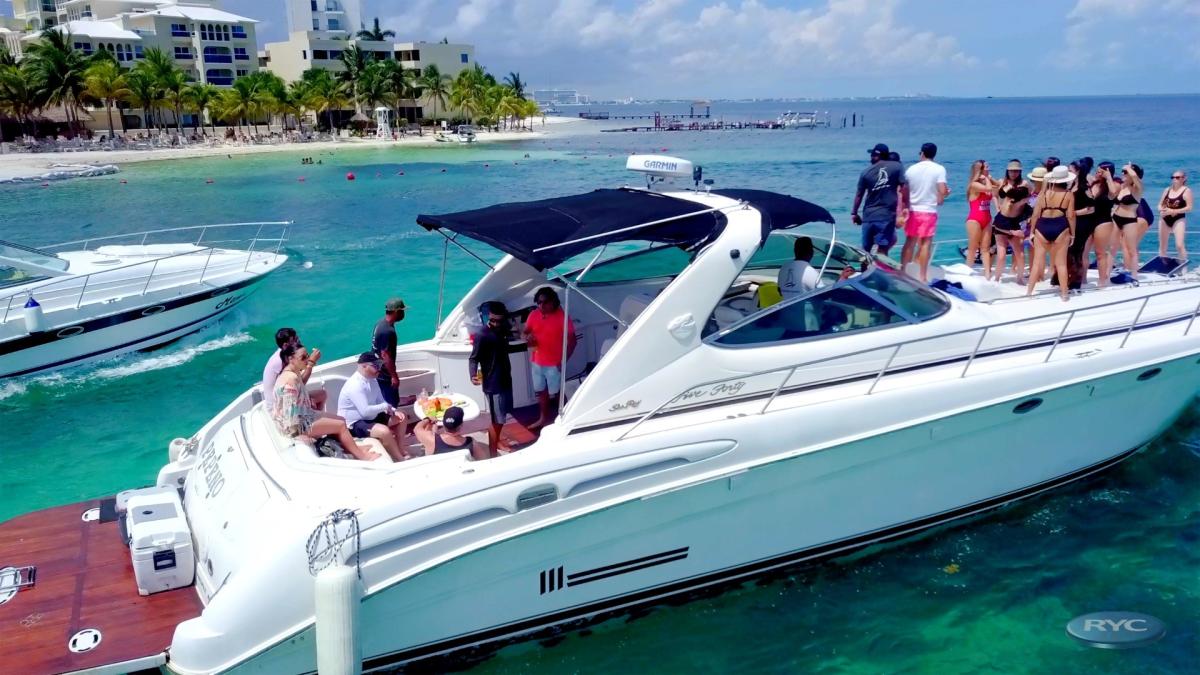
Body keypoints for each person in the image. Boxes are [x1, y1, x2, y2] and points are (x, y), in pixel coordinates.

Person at [273, 343, 379, 461]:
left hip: (304, 413)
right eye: (303, 358)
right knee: (340, 425)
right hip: (297, 425)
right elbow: (289, 414)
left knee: (341, 419)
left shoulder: (293, 371)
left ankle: (351, 448)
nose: (307, 360)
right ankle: (362, 456)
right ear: (290, 359)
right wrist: (299, 434)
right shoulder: (289, 379)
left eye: (307, 356)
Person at [470, 301, 530, 455]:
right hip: (493, 385)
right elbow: (473, 358)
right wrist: (473, 375)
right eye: (492, 320)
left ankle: (497, 443)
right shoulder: (482, 335)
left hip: (505, 380)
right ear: (488, 317)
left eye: (499, 320)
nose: (496, 324)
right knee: (497, 420)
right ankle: (492, 453)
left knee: (502, 417)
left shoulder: (503, 329)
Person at [337, 351, 410, 462]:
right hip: (354, 424)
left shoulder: (373, 380)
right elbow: (365, 411)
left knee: (402, 416)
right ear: (364, 366)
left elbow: (381, 401)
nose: (379, 369)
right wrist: (385, 406)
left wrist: (393, 410)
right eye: (376, 366)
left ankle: (400, 449)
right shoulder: (355, 385)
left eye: (380, 365)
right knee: (384, 431)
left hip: (371, 417)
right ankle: (399, 459)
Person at [522, 287, 576, 429]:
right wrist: (526, 336)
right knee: (541, 392)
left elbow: (573, 341)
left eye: (545, 302)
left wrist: (563, 361)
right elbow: (525, 332)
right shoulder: (534, 314)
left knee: (557, 393)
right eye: (539, 302)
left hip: (554, 364)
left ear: (553, 301)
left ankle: (566, 419)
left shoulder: (562, 317)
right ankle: (543, 419)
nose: (541, 305)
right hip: (536, 362)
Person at [1026, 166, 1077, 301]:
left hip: (1042, 226)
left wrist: (1031, 232)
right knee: (1061, 264)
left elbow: (1035, 214)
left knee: (1036, 263)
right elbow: (1071, 216)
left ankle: (1029, 292)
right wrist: (1073, 234)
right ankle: (1064, 294)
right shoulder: (1068, 194)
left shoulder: (1043, 194)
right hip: (1061, 226)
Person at [901, 142, 949, 281]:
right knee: (925, 244)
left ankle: (903, 272)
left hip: (912, 209)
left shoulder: (911, 169)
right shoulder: (939, 169)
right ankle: (922, 276)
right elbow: (942, 190)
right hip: (928, 210)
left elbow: (904, 190)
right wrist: (944, 193)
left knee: (909, 241)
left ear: (922, 153)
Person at [851, 143, 908, 256]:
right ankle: (880, 267)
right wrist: (906, 206)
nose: (871, 157)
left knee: (865, 252)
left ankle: (866, 267)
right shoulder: (897, 167)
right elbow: (904, 188)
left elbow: (859, 195)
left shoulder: (865, 172)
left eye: (872, 155)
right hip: (885, 217)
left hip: (869, 216)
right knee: (882, 251)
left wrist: (854, 213)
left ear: (877, 156)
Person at [261, 327, 325, 412]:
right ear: (285, 345)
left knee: (322, 394)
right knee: (316, 399)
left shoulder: (285, 355)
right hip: (280, 407)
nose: (299, 342)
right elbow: (298, 385)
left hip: (285, 399)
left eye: (298, 338)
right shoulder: (280, 361)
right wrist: (310, 363)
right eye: (296, 340)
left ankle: (317, 417)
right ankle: (315, 418)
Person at [1104, 163, 1147, 279]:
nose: (1122, 173)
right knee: (1112, 248)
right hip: (1116, 218)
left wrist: (1128, 167)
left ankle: (1134, 277)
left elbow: (1135, 176)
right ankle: (1106, 275)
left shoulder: (1137, 188)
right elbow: (1112, 193)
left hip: (1129, 220)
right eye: (1122, 172)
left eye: (1125, 172)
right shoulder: (1123, 186)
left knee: (1131, 249)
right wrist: (1108, 177)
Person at [991, 160, 1031, 283]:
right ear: (1007, 171)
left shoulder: (1024, 183)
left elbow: (1029, 197)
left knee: (1019, 253)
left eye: (1016, 171)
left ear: (1020, 172)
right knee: (1001, 254)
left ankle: (1020, 278)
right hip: (1002, 219)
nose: (1014, 173)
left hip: (1015, 220)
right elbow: (994, 195)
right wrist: (997, 207)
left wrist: (1023, 209)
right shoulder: (1002, 182)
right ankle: (997, 278)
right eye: (1011, 171)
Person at [372, 297, 412, 407]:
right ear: (396, 311)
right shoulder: (388, 331)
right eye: (402, 311)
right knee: (391, 404)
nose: (403, 313)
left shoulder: (379, 323)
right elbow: (385, 355)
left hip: (377, 369)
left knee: (387, 399)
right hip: (384, 374)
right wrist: (393, 376)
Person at [413, 406, 488, 460]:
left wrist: (428, 419)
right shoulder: (471, 443)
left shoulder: (432, 440)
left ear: (443, 424)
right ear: (461, 425)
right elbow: (483, 460)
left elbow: (417, 429)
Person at [964, 160, 997, 274]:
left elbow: (999, 186)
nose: (989, 168)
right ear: (980, 170)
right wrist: (987, 178)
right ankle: (967, 272)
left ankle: (987, 274)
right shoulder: (974, 185)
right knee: (973, 248)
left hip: (987, 219)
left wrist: (990, 178)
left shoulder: (985, 183)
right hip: (975, 220)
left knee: (985, 248)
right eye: (987, 167)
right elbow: (989, 189)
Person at [1159, 170, 1193, 260]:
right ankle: (1163, 265)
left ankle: (1183, 266)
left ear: (1184, 179)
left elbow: (1189, 207)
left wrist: (1173, 211)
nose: (1174, 179)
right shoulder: (1167, 190)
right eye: (1173, 177)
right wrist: (1161, 210)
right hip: (1164, 218)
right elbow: (1160, 204)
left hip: (1178, 219)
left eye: (1177, 177)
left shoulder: (1186, 191)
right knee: (1162, 246)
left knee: (1179, 245)